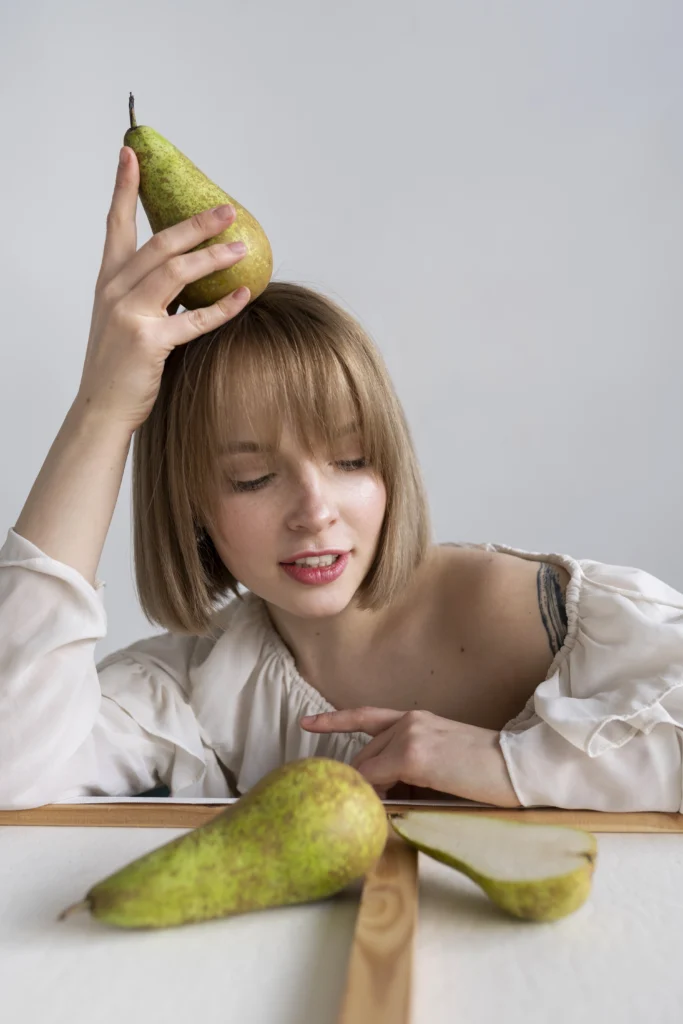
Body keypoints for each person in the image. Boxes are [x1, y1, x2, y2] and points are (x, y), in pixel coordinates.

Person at [1, 147, 682, 814]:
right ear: (190, 505)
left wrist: (507, 764)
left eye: (351, 461)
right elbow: (12, 763)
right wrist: (102, 413)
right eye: (252, 478)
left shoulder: (549, 617)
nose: (315, 510)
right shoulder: (196, 689)